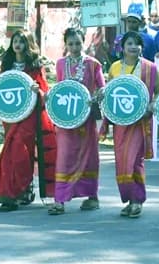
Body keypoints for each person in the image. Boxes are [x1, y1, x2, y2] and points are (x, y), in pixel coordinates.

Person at [0, 30, 57, 212]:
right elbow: (0, 90)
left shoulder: (35, 66)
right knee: (10, 151)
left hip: (29, 115)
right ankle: (18, 192)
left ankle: (16, 192)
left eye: (22, 41)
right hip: (10, 116)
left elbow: (45, 94)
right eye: (15, 41)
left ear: (29, 44)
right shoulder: (8, 65)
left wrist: (36, 90)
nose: (18, 44)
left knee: (20, 150)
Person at [104, 31, 159, 218]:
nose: (133, 47)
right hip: (121, 124)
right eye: (129, 43)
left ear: (141, 47)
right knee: (122, 163)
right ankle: (130, 200)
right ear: (122, 47)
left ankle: (137, 200)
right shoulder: (114, 68)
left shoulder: (151, 68)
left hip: (140, 123)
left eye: (137, 44)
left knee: (134, 161)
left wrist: (152, 105)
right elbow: (110, 93)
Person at [49, 28, 106, 215]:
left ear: (84, 42)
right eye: (71, 43)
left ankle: (92, 197)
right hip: (66, 120)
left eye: (78, 43)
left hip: (86, 120)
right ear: (66, 44)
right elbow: (60, 88)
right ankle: (60, 200)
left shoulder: (93, 64)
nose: (74, 47)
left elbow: (102, 89)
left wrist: (94, 97)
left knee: (89, 157)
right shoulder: (60, 64)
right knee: (64, 157)